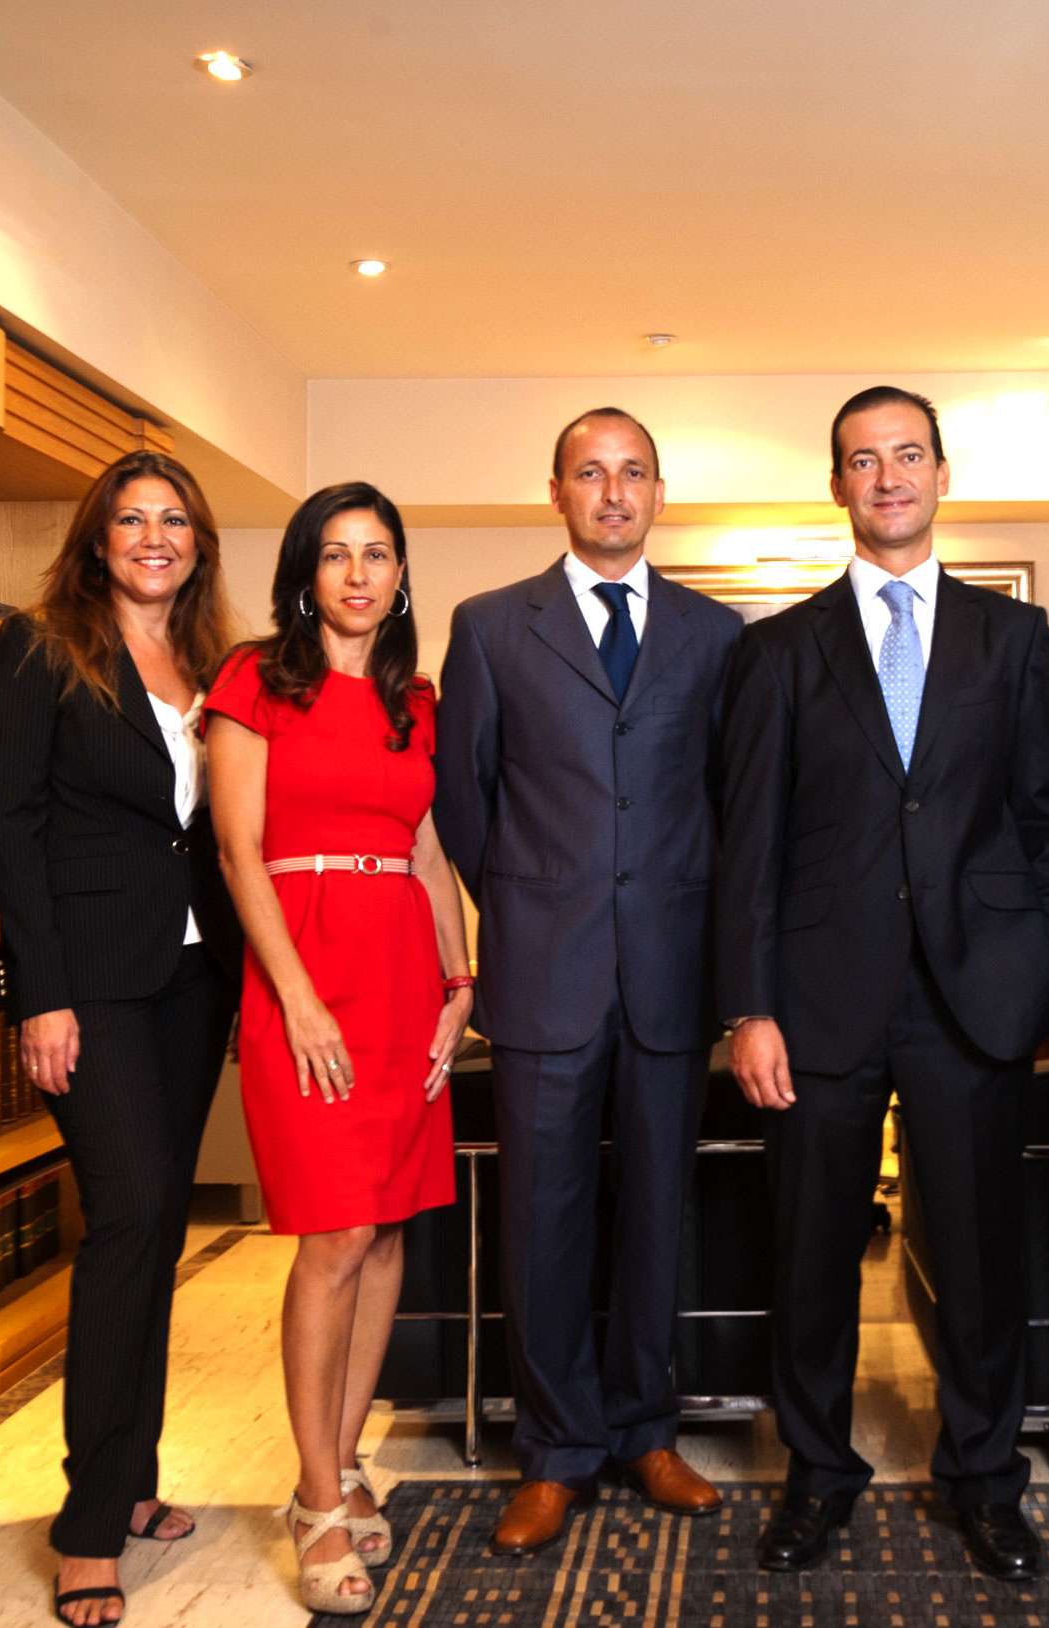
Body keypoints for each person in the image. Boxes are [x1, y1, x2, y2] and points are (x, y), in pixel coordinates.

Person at [713, 386, 1049, 1581]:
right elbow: (748, 842)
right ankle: (817, 1474)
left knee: (979, 1258)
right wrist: (749, 1006)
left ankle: (985, 1477)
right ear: (838, 485)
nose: (887, 476)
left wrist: (1035, 962)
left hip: (977, 997)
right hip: (817, 998)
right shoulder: (777, 650)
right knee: (811, 1257)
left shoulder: (1012, 638)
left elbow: (1045, 822)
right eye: (863, 460)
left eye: (907, 454)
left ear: (941, 473)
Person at [433, 409, 743, 1554]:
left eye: (633, 473)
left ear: (659, 492)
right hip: (542, 970)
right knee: (543, 1220)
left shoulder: (718, 634)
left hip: (671, 974)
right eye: (589, 473)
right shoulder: (489, 625)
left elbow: (729, 800)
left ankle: (646, 1430)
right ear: (555, 491)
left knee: (659, 1213)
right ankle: (557, 1449)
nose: (613, 491)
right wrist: (532, 900)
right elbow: (464, 801)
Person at [0, 451, 244, 1626]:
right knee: (131, 1214)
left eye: (173, 520)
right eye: (132, 519)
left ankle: (133, 1477)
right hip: (89, 981)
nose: (154, 537)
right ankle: (89, 1524)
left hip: (194, 973)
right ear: (97, 539)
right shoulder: (38, 646)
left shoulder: (215, 665)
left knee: (157, 1223)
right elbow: (14, 824)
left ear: (198, 543)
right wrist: (36, 992)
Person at [207, 481, 472, 1616]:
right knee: (335, 1232)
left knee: (389, 1228)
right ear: (304, 574)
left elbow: (427, 853)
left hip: (405, 974)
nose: (358, 573)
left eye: (377, 553)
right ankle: (317, 1494)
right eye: (335, 553)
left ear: (401, 574)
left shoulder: (417, 699)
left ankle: (346, 1456)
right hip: (306, 967)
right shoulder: (254, 679)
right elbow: (237, 849)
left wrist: (461, 982)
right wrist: (296, 995)